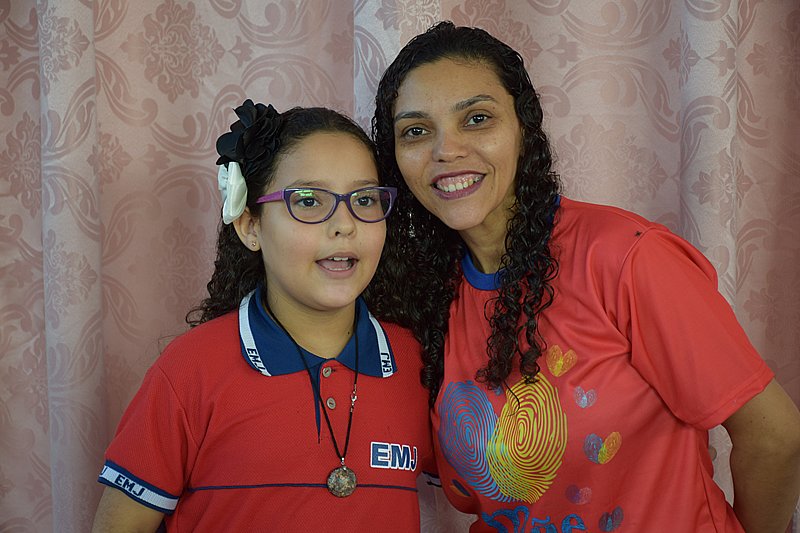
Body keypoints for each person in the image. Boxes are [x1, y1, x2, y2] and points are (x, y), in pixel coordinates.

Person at [365, 21, 800, 533]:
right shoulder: (426, 296)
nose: (446, 150)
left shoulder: (625, 257)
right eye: (415, 131)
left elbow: (775, 438)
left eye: (477, 119)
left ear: (523, 130)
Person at [91, 100, 434, 532]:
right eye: (308, 201)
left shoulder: (419, 365)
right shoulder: (188, 371)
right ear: (250, 226)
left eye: (364, 199)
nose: (345, 225)